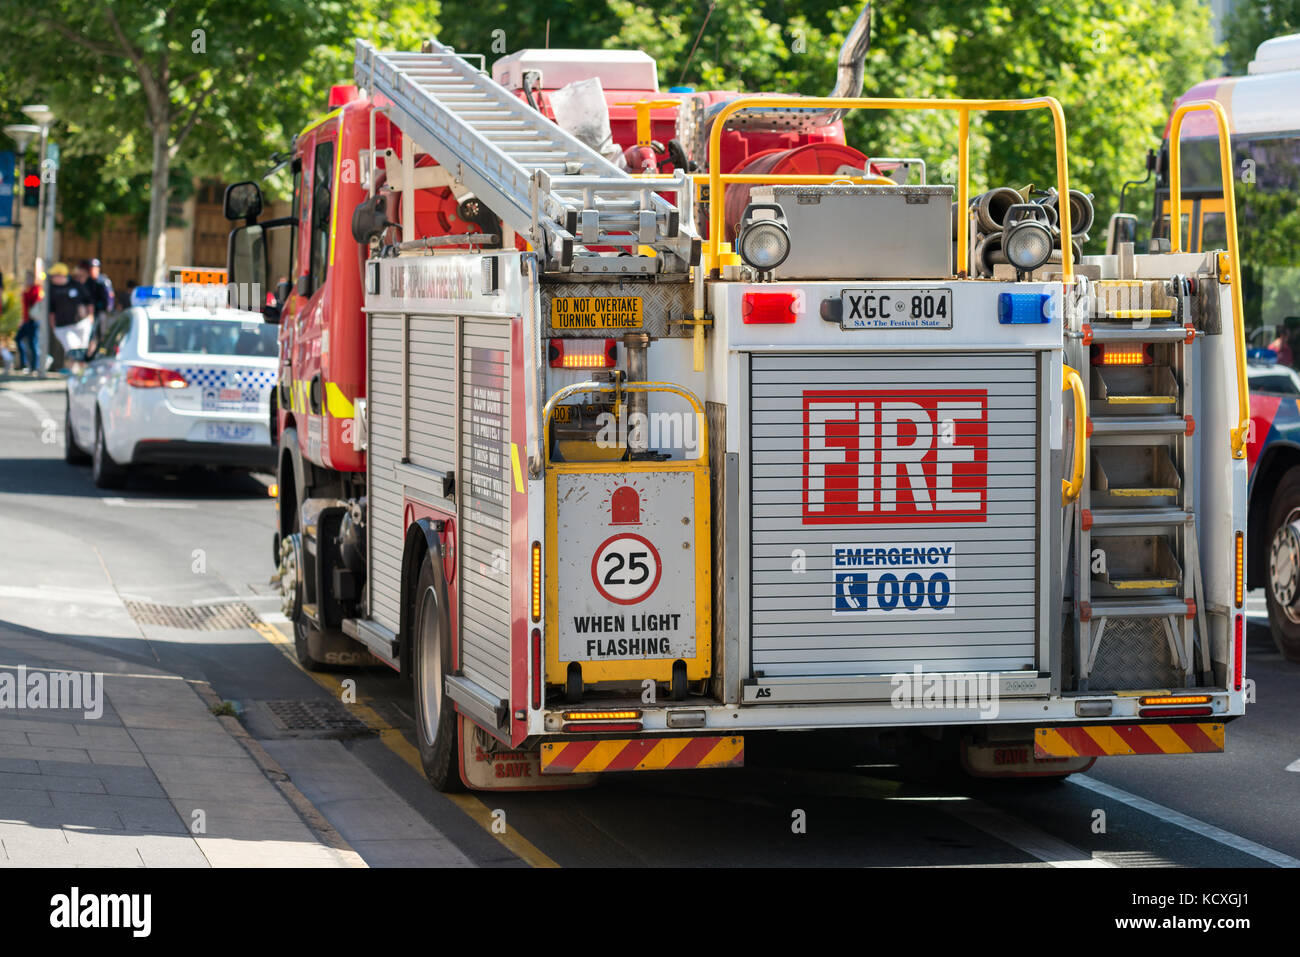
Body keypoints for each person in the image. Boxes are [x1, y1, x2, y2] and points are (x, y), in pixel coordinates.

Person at [48, 263, 93, 369]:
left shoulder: (76, 285)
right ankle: (73, 370)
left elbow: (88, 301)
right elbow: (52, 311)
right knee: (72, 348)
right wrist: (53, 327)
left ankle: (82, 372)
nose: (52, 278)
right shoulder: (52, 289)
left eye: (54, 276)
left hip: (81, 323)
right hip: (63, 326)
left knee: (82, 349)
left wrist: (91, 316)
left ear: (61, 275)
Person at [16, 270, 40, 372]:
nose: (27, 280)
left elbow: (34, 301)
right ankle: (24, 364)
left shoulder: (36, 289)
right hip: (26, 320)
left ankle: (35, 366)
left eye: (29, 278)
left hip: (33, 320)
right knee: (18, 339)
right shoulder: (27, 289)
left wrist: (26, 292)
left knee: (32, 343)